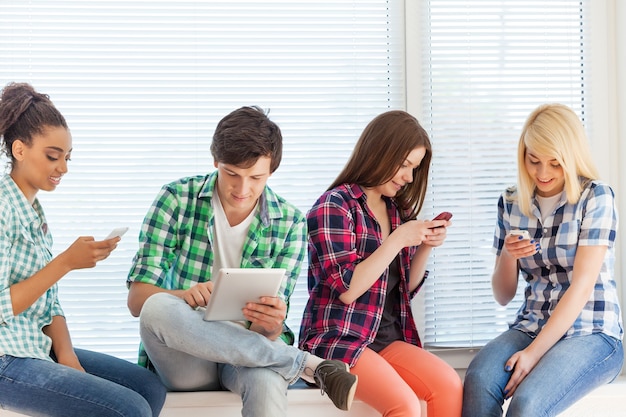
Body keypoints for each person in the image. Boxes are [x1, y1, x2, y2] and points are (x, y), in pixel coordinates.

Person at [126, 105, 358, 416]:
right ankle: (307, 364)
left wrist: (271, 323)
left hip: (250, 351)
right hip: (187, 358)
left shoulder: (289, 222)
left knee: (265, 378)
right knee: (157, 307)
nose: (242, 188)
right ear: (215, 161)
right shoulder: (176, 198)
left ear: (272, 171)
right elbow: (137, 301)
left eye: (256, 177)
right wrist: (184, 297)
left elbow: (270, 333)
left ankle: (301, 364)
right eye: (231, 174)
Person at [0, 82, 167, 417]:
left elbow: (48, 303)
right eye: (52, 156)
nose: (63, 168)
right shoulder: (3, 208)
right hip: (7, 357)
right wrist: (65, 262)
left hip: (33, 344)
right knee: (129, 408)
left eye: (67, 157)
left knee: (149, 388)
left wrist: (68, 358)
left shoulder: (34, 213)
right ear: (19, 150)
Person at [461, 103, 624, 417]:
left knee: (528, 404)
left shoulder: (597, 197)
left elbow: (582, 287)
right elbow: (503, 294)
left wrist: (533, 354)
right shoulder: (511, 202)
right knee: (479, 379)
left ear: (572, 158)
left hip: (592, 331)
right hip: (531, 324)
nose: (543, 173)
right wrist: (509, 253)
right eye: (533, 160)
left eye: (555, 163)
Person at [299, 110, 464, 417]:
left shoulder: (394, 211)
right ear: (378, 154)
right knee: (404, 405)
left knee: (449, 385)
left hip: (385, 338)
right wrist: (398, 239)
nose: (409, 177)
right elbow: (348, 290)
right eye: (403, 165)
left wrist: (425, 246)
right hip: (339, 339)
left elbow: (405, 288)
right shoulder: (334, 206)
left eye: (414, 168)